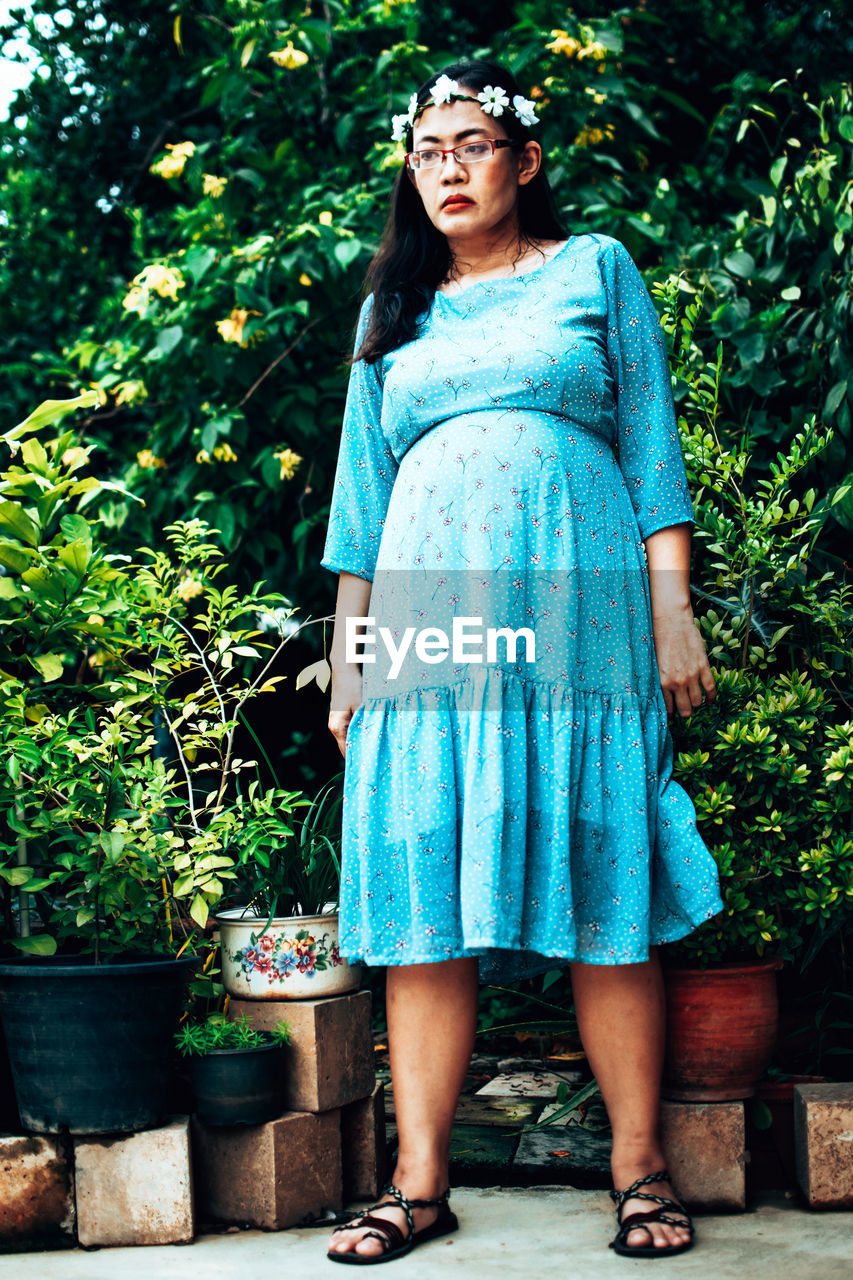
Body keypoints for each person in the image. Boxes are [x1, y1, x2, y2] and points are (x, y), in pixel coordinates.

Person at [320, 58, 723, 1264]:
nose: (447, 166)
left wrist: (674, 610)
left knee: (607, 879)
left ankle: (639, 1170)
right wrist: (350, 661)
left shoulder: (593, 267)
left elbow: (651, 455)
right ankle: (419, 1183)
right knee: (424, 884)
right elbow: (357, 510)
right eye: (427, 148)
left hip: (579, 618)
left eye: (472, 143)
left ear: (523, 160)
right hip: (431, 634)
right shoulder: (395, 308)